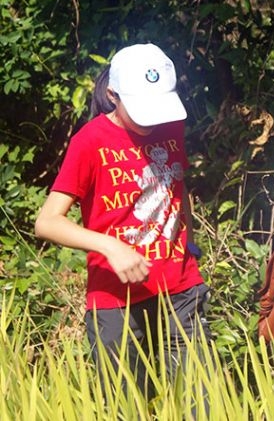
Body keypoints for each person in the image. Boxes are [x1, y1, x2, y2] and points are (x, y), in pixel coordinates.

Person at [34, 43, 211, 399]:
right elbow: (48, 222)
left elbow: (177, 186)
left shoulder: (170, 125)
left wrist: (188, 244)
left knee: (202, 403)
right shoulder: (90, 141)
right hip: (116, 301)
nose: (152, 120)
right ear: (113, 95)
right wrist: (110, 246)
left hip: (181, 290)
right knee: (125, 406)